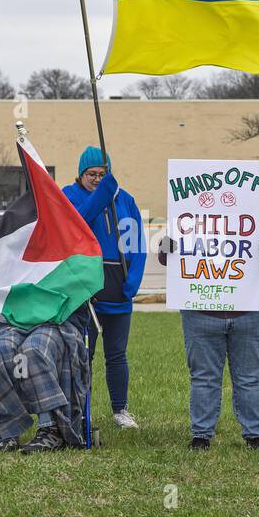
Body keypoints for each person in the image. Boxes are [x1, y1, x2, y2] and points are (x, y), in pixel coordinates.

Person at [158, 214, 259, 450]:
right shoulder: (187, 212)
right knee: (204, 376)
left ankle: (254, 435)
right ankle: (201, 435)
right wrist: (166, 247)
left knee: (249, 377)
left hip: (251, 308)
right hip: (200, 309)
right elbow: (167, 256)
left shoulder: (255, 208)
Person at [61, 146, 145, 429]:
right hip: (84, 290)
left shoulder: (126, 200)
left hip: (118, 289)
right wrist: (101, 195)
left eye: (102, 174)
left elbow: (137, 243)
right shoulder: (68, 196)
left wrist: (133, 279)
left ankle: (120, 409)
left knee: (117, 355)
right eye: (91, 174)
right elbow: (75, 225)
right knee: (83, 355)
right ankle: (81, 409)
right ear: (80, 174)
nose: (97, 179)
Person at [0, 305, 93, 453]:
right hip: (11, 320)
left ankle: (52, 429)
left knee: (34, 349)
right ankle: (7, 430)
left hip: (56, 321)